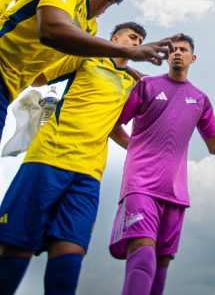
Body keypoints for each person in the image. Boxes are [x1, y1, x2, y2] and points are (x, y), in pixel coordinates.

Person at [0, 22, 151, 295]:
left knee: (71, 253)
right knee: (16, 245)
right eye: (132, 37)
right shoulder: (85, 57)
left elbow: (114, 125)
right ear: (114, 37)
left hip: (89, 173)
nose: (136, 42)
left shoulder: (132, 82)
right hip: (48, 158)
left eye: (140, 40)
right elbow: (38, 77)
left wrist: (137, 149)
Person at [109, 35, 215, 295]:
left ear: (193, 58)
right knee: (143, 256)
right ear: (166, 56)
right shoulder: (147, 86)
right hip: (140, 186)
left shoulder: (200, 99)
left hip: (176, 194)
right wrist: (134, 147)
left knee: (161, 266)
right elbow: (113, 124)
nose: (177, 53)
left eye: (183, 50)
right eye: (173, 50)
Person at [0, 0, 176, 140]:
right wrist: (128, 51)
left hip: (9, 89)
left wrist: (123, 67)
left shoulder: (90, 28)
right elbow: (50, 30)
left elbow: (42, 78)